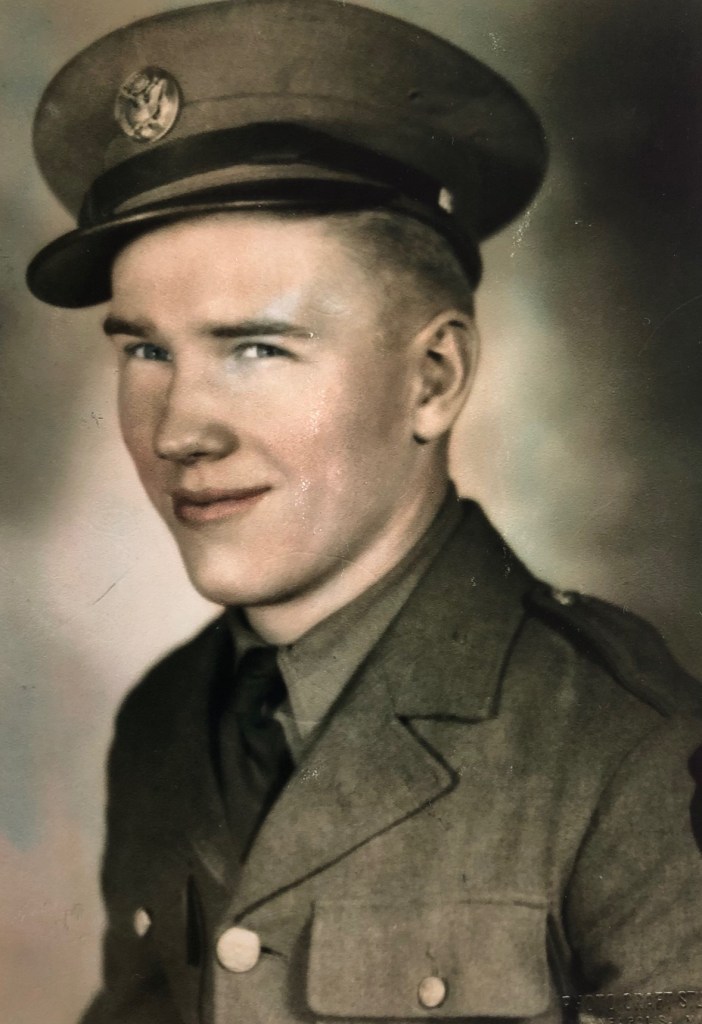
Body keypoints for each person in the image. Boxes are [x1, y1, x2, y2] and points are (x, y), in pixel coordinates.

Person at [26, 0, 702, 1020]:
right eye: (147, 351)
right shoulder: (166, 719)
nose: (178, 431)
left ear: (433, 379)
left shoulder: (629, 753)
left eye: (256, 347)